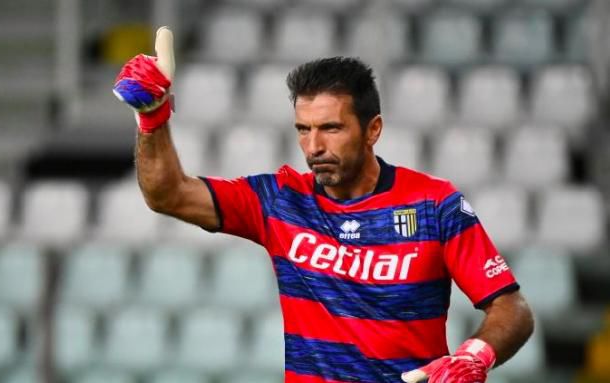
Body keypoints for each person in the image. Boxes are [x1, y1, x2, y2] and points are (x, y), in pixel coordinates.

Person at [113, 27, 534, 383]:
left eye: (331, 128)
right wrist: (153, 117)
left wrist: (474, 356)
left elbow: (511, 308)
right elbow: (168, 194)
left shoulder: (434, 204)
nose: (314, 147)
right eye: (303, 129)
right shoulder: (278, 201)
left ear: (373, 130)